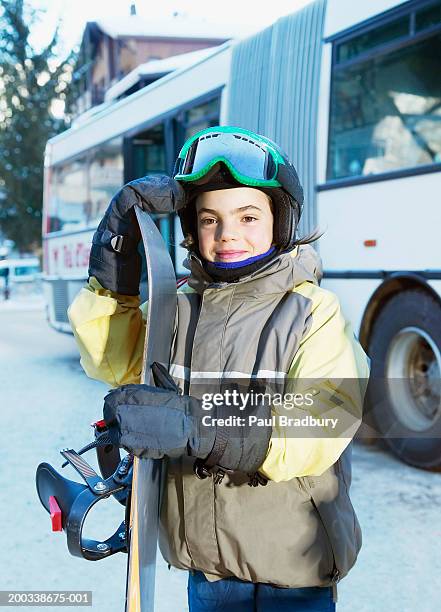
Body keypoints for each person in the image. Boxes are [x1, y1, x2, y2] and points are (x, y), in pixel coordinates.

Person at [68, 126, 370, 612]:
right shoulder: (179, 307)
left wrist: (200, 427)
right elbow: (113, 358)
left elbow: (321, 423)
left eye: (249, 216)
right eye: (210, 219)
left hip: (292, 568)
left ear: (281, 221)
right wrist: (116, 257)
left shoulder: (314, 311)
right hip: (206, 567)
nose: (228, 233)